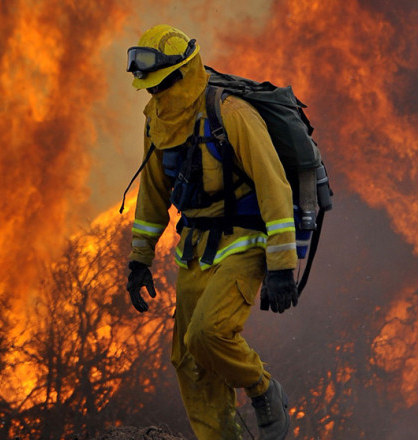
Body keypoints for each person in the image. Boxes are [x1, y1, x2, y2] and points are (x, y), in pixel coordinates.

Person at [124, 24, 298, 440]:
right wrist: (139, 260)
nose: (153, 94)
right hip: (196, 248)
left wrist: (281, 265)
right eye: (147, 87)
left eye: (159, 85)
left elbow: (275, 188)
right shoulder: (157, 123)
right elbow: (151, 195)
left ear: (183, 73)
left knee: (207, 333)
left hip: (245, 241)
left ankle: (262, 388)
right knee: (188, 358)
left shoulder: (231, 114)